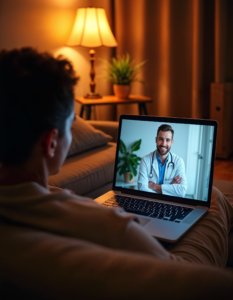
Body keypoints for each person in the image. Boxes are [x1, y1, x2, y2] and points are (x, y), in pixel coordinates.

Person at [0, 48, 233, 299]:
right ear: (51, 143)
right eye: (71, 124)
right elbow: (179, 272)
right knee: (216, 197)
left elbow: (166, 186)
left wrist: (154, 186)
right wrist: (161, 187)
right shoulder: (111, 225)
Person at [138, 124, 188, 197]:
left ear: (172, 142)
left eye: (167, 140)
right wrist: (169, 188)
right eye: (161, 139)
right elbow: (142, 188)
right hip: (150, 202)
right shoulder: (145, 160)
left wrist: (153, 186)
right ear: (156, 140)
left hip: (170, 203)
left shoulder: (178, 162)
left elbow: (182, 191)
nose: (164, 144)